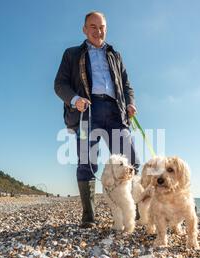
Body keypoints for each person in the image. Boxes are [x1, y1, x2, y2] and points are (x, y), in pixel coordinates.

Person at [55, 11, 140, 228]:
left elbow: (126, 84)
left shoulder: (115, 55)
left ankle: (134, 210)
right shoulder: (72, 54)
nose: (98, 31)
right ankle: (89, 216)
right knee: (86, 162)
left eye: (101, 27)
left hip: (115, 111)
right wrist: (75, 99)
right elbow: (60, 84)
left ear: (106, 29)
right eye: (93, 26)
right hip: (87, 112)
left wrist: (130, 102)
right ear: (84, 29)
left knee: (131, 160)